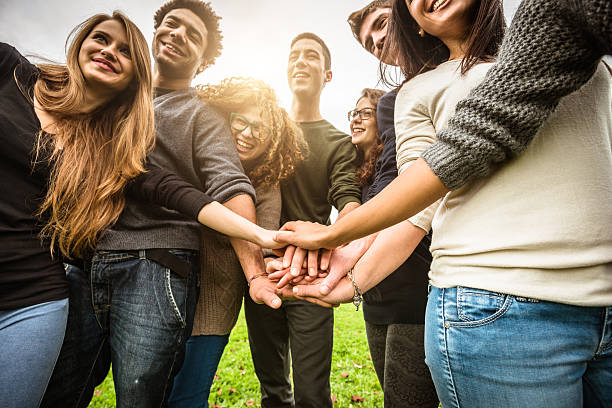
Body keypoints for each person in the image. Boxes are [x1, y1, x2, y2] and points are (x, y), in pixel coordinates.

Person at [278, 0, 612, 405]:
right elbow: (418, 203)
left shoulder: (575, 33)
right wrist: (352, 274)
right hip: (494, 312)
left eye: (382, 26)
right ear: (414, 24)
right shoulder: (415, 92)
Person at [41, 2, 281, 407]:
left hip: (155, 268)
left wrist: (255, 273)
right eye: (171, 24)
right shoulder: (110, 98)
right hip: (84, 263)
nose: (177, 34)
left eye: (193, 34)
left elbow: (230, 183)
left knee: (140, 398)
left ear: (204, 61)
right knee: (59, 392)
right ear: (154, 34)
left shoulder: (203, 116)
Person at [0, 12, 155, 408]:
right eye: (101, 39)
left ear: (134, 79)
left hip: (31, 302)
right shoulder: (11, 71)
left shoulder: (108, 152)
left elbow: (179, 193)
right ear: (81, 41)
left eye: (125, 51)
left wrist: (260, 237)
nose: (109, 51)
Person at [168, 77, 307, 408]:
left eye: (259, 129)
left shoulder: (267, 187)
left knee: (186, 397)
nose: (246, 133)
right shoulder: (191, 161)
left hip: (213, 306)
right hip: (164, 290)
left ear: (273, 139)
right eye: (240, 121)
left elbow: (264, 240)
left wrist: (273, 266)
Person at [245, 32, 362, 408]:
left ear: (327, 75)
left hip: (308, 274)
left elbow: (349, 202)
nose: (300, 61)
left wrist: (338, 233)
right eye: (294, 55)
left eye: (311, 56)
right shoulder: (263, 131)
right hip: (261, 269)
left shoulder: (338, 142)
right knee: (272, 390)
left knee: (313, 395)